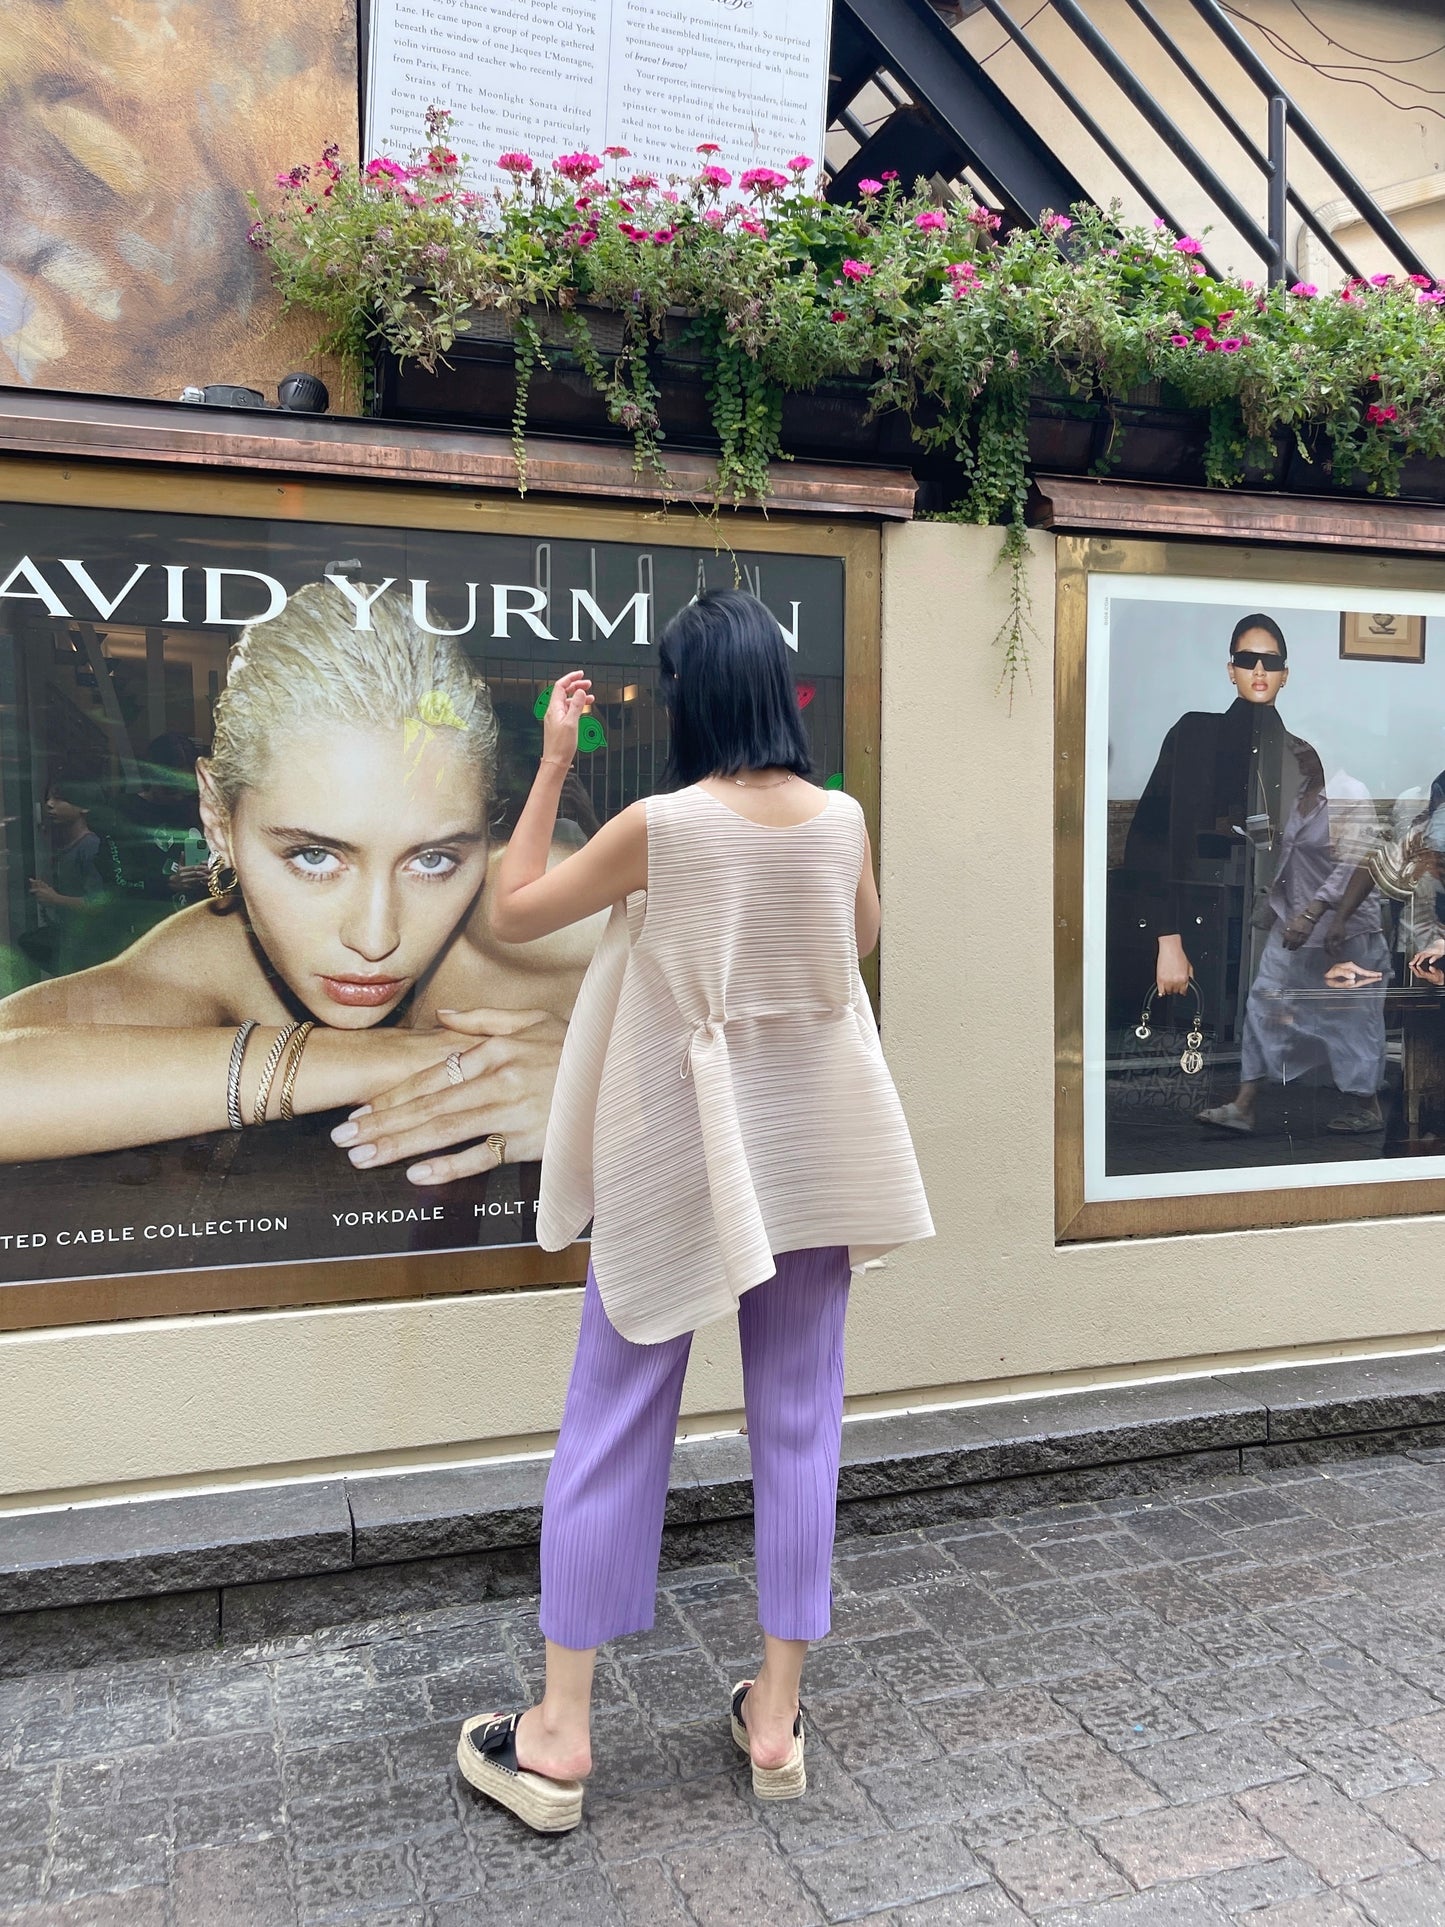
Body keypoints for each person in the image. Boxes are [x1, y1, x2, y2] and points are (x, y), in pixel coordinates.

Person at [448, 589, 933, 1834]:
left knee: (612, 1421)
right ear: (774, 693)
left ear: (691, 698)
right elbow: (861, 937)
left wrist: (553, 763)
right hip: (809, 1157)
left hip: (684, 1159)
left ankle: (556, 1738)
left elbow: (511, 910)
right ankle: (773, 1717)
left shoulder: (663, 826)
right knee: (798, 1424)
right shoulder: (841, 820)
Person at [0, 583, 592, 1170]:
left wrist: (608, 1094)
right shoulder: (213, 956)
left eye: (433, 860)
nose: (374, 937)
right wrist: (405, 1057)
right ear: (217, 819)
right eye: (314, 856)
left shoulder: (548, 917)